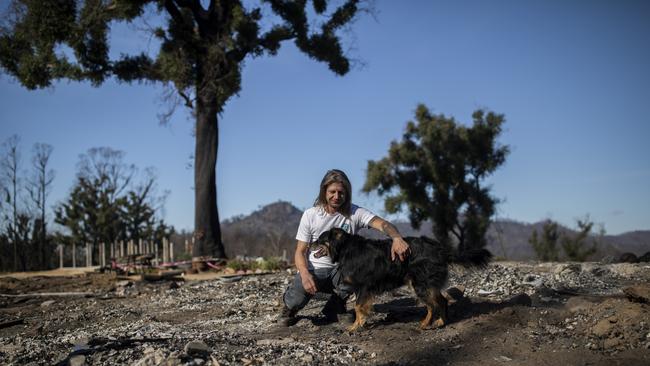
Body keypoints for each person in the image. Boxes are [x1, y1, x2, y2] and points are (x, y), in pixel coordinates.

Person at [280, 169, 410, 326]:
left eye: (341, 192)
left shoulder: (355, 212)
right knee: (297, 299)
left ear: (347, 193)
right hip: (315, 271)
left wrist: (396, 238)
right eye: (332, 192)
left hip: (341, 270)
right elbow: (300, 251)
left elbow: (383, 224)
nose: (336, 196)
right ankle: (289, 306)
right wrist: (305, 274)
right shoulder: (311, 215)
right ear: (324, 191)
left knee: (358, 271)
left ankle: (336, 305)